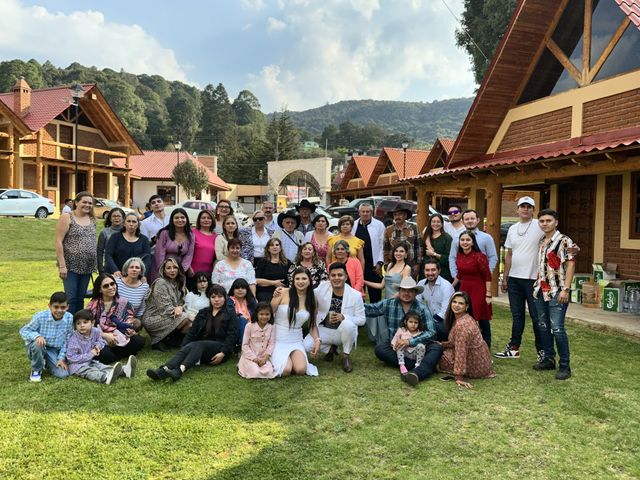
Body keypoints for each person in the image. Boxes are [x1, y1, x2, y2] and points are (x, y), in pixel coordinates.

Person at [146, 284, 239, 382]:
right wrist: (184, 348)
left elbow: (232, 335)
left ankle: (179, 370)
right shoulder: (203, 312)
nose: (216, 299)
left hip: (219, 351)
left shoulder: (230, 313)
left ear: (225, 298)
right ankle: (163, 370)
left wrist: (223, 353)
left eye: (220, 297)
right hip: (200, 349)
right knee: (193, 345)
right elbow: (192, 332)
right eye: (213, 297)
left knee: (198, 344)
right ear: (209, 299)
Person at [364, 277, 442, 387]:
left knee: (436, 348)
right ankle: (425, 365)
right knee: (380, 349)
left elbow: (432, 332)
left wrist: (410, 341)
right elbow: (370, 309)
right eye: (404, 290)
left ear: (415, 293)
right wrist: (351, 301)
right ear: (399, 291)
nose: (406, 293)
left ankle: (417, 372)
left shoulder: (422, 308)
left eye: (410, 291)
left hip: (419, 347)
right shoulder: (389, 304)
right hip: (397, 347)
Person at [532, 209, 576, 380]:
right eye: (541, 221)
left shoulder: (564, 240)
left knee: (557, 328)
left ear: (556, 222)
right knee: (543, 326)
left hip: (558, 290)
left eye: (548, 220)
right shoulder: (542, 241)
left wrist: (566, 289)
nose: (545, 223)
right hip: (541, 290)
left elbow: (571, 265)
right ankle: (549, 359)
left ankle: (565, 365)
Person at [303, 263, 365, 373]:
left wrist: (344, 317)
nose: (336, 278)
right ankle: (330, 349)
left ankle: (345, 356)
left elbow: (362, 320)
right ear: (329, 277)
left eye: (340, 275)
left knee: (348, 324)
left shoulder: (355, 295)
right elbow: (306, 293)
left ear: (346, 277)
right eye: (333, 275)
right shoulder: (322, 288)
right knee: (306, 345)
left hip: (342, 332)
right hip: (324, 329)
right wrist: (285, 292)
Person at [270, 267, 321, 377]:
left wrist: (317, 340)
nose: (300, 282)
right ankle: (279, 359)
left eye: (304, 278)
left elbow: (312, 325)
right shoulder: (282, 292)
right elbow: (269, 315)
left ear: (309, 280)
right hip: (278, 337)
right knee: (286, 370)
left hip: (295, 339)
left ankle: (292, 358)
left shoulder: (312, 299)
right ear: (293, 280)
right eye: (297, 279)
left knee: (300, 370)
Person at [438, 292, 495, 388]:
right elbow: (454, 342)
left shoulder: (462, 325)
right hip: (482, 362)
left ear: (467, 306)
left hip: (474, 365)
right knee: (438, 348)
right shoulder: (466, 318)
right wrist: (442, 344)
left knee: (436, 356)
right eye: (454, 302)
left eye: (461, 303)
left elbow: (461, 350)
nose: (456, 305)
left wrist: (459, 377)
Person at [86, 273, 146, 364]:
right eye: (106, 286)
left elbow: (129, 320)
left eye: (112, 284)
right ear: (100, 290)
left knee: (139, 341)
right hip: (100, 337)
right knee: (104, 354)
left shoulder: (124, 302)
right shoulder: (93, 305)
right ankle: (112, 355)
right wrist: (105, 335)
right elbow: (88, 328)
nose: (111, 287)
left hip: (120, 335)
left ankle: (113, 355)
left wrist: (130, 330)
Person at [54, 191, 97, 314]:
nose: (87, 205)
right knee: (71, 297)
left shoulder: (92, 219)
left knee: (80, 297)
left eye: (90, 203)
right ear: (76, 202)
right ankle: (68, 324)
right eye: (84, 202)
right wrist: (62, 265)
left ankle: (79, 323)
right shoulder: (67, 217)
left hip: (87, 265)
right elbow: (58, 241)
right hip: (70, 265)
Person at [66, 309, 133, 384]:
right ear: (75, 326)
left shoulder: (95, 331)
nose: (82, 325)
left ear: (92, 322)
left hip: (89, 361)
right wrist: (91, 354)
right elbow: (71, 358)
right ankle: (105, 377)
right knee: (90, 371)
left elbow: (101, 341)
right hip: (76, 366)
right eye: (78, 323)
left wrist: (97, 346)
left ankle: (124, 371)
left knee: (100, 366)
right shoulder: (74, 339)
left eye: (85, 322)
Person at [19, 292, 73, 382]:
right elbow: (24, 330)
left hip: (54, 350)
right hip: (39, 346)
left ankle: (47, 362)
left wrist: (61, 358)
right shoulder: (40, 316)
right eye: (56, 307)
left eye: (63, 307)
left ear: (67, 307)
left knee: (63, 374)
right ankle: (36, 369)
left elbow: (68, 340)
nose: (59, 310)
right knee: (38, 344)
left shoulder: (69, 318)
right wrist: (37, 336)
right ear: (49, 306)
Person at [452, 230, 493, 346]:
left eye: (468, 240)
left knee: (480, 317)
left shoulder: (480, 256)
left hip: (478, 289)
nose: (465, 242)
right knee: (463, 316)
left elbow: (487, 276)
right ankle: (467, 343)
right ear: (459, 242)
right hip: (464, 288)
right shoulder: (459, 256)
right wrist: (450, 287)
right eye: (462, 240)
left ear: (472, 242)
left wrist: (488, 295)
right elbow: (459, 275)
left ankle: (486, 345)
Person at [142, 256, 191, 351]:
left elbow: (183, 302)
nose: (172, 270)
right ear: (163, 270)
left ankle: (170, 340)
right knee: (186, 318)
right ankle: (159, 340)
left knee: (190, 324)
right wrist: (182, 311)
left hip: (170, 315)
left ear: (179, 269)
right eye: (168, 268)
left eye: (175, 267)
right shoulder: (160, 283)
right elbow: (165, 309)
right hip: (153, 317)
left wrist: (180, 307)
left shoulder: (179, 284)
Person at [448, 209, 498, 278]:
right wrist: (454, 275)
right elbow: (452, 257)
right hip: (461, 278)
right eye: (467, 219)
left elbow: (493, 257)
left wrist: (488, 273)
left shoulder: (486, 238)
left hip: (480, 278)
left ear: (478, 220)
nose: (470, 221)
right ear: (462, 222)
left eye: (472, 218)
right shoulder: (457, 238)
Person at [352, 203, 385, 303]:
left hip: (374, 266)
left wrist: (380, 262)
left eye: (368, 211)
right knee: (357, 294)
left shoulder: (379, 225)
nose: (365, 213)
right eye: (363, 211)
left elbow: (382, 245)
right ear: (359, 213)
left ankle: (376, 317)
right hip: (357, 265)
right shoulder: (353, 225)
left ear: (372, 212)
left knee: (375, 296)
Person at [152, 208, 195, 283]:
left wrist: (180, 271)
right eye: (176, 218)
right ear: (172, 219)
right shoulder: (164, 233)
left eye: (182, 217)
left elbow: (189, 255)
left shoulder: (190, 236)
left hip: (179, 271)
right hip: (162, 270)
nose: (180, 220)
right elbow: (159, 254)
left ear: (186, 219)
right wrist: (165, 271)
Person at [417, 260, 455, 341]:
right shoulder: (421, 284)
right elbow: (417, 304)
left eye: (433, 270)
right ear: (424, 271)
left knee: (438, 328)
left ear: (439, 271)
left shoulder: (446, 286)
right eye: (427, 270)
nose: (430, 273)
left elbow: (445, 312)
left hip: (444, 321)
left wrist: (428, 322)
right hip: (428, 319)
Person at [104, 212, 151, 277]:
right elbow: (108, 255)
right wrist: (115, 270)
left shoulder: (144, 240)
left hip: (135, 277)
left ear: (138, 224)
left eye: (134, 222)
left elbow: (147, 259)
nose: (131, 224)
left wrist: (142, 274)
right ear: (124, 223)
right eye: (128, 221)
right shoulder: (115, 237)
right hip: (116, 275)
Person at [237, 302, 276, 379]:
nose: (264, 317)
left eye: (267, 314)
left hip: (263, 356)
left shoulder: (272, 326)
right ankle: (243, 365)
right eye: (261, 314)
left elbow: (271, 343)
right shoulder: (249, 326)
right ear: (256, 314)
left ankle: (262, 365)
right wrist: (254, 358)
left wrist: (265, 357)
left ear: (271, 315)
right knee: (255, 371)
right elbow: (245, 345)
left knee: (268, 371)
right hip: (250, 356)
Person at [383, 204, 421, 276]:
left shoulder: (414, 228)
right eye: (395, 215)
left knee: (409, 286)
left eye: (400, 214)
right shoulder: (388, 230)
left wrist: (418, 264)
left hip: (411, 265)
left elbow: (419, 247)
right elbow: (386, 249)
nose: (397, 217)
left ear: (405, 216)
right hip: (394, 265)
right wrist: (386, 264)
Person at [391, 311, 427, 378]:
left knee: (421, 346)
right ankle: (402, 365)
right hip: (404, 352)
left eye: (416, 322)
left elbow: (423, 342)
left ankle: (417, 366)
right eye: (411, 322)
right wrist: (393, 345)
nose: (413, 324)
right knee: (400, 343)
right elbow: (395, 338)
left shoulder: (420, 333)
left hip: (414, 353)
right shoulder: (402, 330)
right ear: (406, 322)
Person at [255, 238, 291, 302]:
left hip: (282, 291)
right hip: (265, 292)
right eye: (272, 245)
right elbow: (257, 280)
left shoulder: (287, 262)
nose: (274, 247)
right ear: (268, 249)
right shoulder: (262, 262)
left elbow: (290, 280)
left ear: (280, 248)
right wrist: (274, 283)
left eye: (277, 245)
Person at [189, 210, 217, 291]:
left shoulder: (216, 236)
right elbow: (187, 252)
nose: (206, 220)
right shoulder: (193, 233)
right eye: (203, 218)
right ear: (199, 220)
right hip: (193, 272)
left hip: (208, 274)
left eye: (209, 218)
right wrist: (188, 268)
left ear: (212, 220)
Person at [422, 213, 453, 282]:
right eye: (433, 221)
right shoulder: (426, 237)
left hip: (442, 272)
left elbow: (449, 258)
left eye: (438, 222)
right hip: (426, 271)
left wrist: (434, 254)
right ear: (430, 223)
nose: (436, 224)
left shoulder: (447, 238)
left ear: (442, 224)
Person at [227, 277, 258, 344]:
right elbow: (229, 315)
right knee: (242, 320)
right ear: (233, 290)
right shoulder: (229, 301)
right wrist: (240, 316)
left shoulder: (251, 301)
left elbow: (256, 315)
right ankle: (242, 346)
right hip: (233, 326)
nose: (240, 290)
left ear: (247, 290)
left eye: (243, 288)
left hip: (251, 326)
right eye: (237, 288)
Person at [97, 207, 124, 274]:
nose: (116, 218)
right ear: (110, 218)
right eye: (114, 216)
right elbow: (99, 252)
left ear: (123, 218)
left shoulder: (128, 231)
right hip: (109, 267)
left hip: (125, 267)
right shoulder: (104, 232)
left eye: (119, 216)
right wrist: (100, 269)